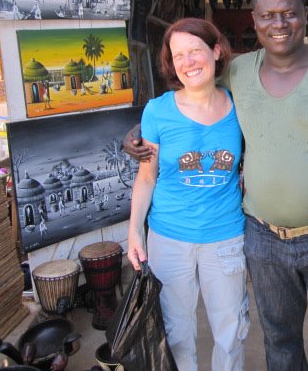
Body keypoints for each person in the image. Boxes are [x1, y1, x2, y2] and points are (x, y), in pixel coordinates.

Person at [125, 0, 308, 370]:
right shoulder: (239, 73)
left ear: (306, 14)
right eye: (267, 15)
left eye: (289, 13)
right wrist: (136, 135)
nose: (279, 24)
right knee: (279, 344)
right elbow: (190, 93)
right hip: (264, 239)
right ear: (255, 21)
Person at [127, 18, 248, 371]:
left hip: (226, 238)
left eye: (195, 50)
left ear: (216, 51)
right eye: (178, 55)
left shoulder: (240, 106)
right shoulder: (157, 111)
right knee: (176, 335)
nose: (188, 62)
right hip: (168, 238)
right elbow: (146, 177)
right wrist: (134, 231)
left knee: (231, 334)